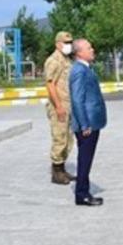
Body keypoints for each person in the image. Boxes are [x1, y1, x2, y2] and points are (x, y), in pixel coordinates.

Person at [69, 39, 107, 206]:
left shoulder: (85, 68)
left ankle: (84, 190)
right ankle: (82, 194)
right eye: (89, 48)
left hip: (91, 121)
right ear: (79, 53)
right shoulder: (78, 70)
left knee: (87, 158)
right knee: (84, 159)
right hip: (87, 124)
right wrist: (84, 124)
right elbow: (77, 100)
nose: (92, 49)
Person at [44, 31, 75, 185]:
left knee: (68, 139)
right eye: (65, 43)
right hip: (59, 105)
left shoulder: (67, 60)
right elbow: (50, 85)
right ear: (58, 44)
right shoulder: (53, 61)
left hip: (68, 104)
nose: (69, 45)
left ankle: (62, 169)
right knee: (59, 138)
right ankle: (56, 172)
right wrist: (58, 106)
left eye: (70, 42)